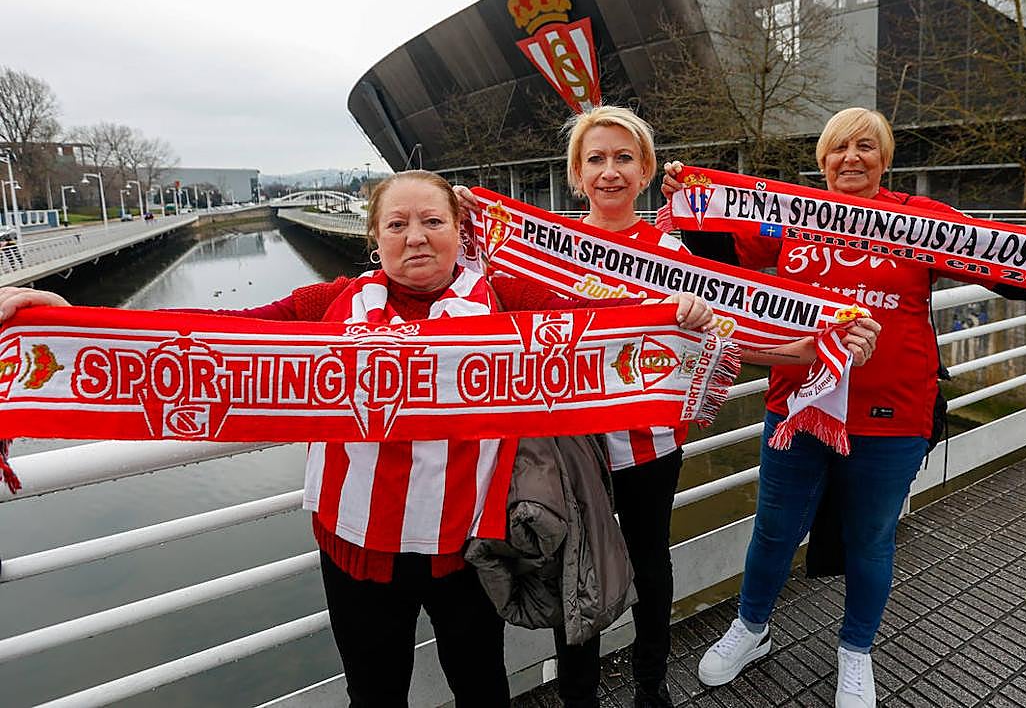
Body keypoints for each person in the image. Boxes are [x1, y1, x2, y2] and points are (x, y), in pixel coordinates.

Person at [0, 169, 718, 708]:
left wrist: (671, 314)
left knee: (482, 689)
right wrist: (76, 319)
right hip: (356, 548)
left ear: (460, 232)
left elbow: (600, 321)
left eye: (432, 221)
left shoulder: (504, 300)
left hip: (464, 550)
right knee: (375, 694)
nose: (416, 237)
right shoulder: (331, 303)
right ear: (374, 238)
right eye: (398, 224)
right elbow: (216, 338)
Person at [458, 106, 880, 708]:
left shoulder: (671, 252)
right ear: (577, 174)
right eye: (596, 159)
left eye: (624, 158)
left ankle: (650, 686)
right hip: (573, 448)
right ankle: (579, 692)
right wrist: (454, 211)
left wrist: (821, 344)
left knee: (651, 562)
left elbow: (740, 333)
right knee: (573, 562)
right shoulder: (541, 248)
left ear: (647, 170)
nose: (610, 171)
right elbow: (480, 295)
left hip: (648, 442)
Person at [664, 107, 957, 708]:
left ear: (886, 158)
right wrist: (690, 202)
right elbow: (721, 247)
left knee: (872, 539)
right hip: (797, 405)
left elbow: (1013, 262)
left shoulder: (925, 221)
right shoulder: (793, 214)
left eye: (866, 146)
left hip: (893, 415)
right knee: (773, 530)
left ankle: (856, 652)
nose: (852, 157)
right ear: (822, 159)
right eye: (838, 147)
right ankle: (751, 628)